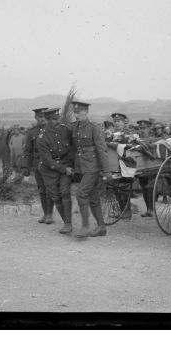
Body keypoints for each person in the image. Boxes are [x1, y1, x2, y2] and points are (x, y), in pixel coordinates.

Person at [70, 100, 112, 238]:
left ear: (86, 112)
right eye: (75, 112)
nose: (77, 115)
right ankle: (101, 227)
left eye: (79, 112)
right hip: (81, 167)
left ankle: (86, 227)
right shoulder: (75, 127)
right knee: (93, 197)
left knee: (81, 193)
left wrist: (106, 171)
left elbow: (102, 151)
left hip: (92, 167)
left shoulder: (94, 128)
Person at [37, 108, 74, 232]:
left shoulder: (65, 130)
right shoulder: (42, 137)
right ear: (47, 120)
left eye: (58, 118)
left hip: (65, 164)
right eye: (53, 119)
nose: (57, 121)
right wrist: (64, 169)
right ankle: (66, 221)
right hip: (49, 170)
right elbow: (47, 160)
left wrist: (69, 164)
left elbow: (73, 147)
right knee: (56, 197)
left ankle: (68, 224)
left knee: (65, 192)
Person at [22, 108, 53, 223]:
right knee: (41, 190)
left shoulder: (52, 130)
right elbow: (27, 151)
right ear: (35, 118)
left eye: (44, 116)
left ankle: (50, 214)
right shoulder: (32, 132)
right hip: (37, 165)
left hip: (50, 165)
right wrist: (26, 166)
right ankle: (45, 214)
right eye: (40, 117)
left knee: (50, 189)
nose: (42, 119)